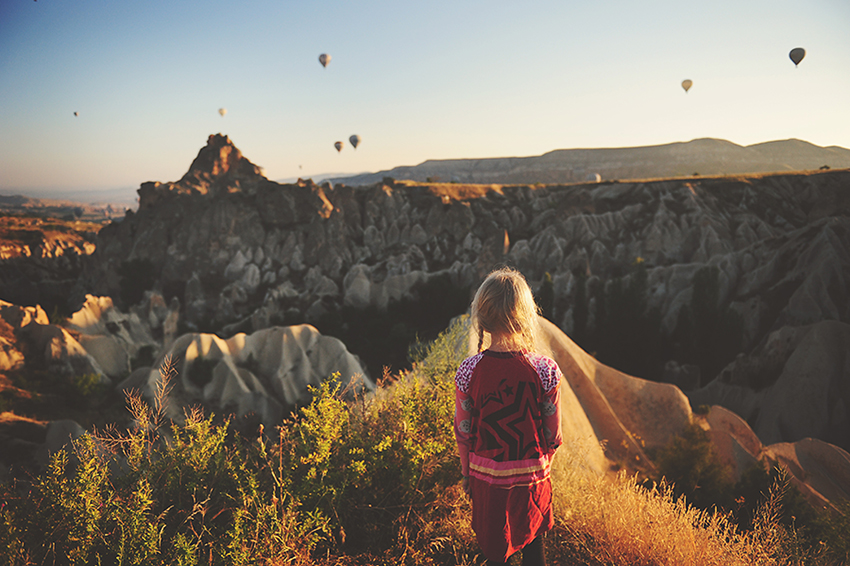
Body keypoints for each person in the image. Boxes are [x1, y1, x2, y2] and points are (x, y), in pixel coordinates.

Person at [454, 267, 563, 566]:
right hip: (532, 477)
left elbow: (463, 431)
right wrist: (543, 466)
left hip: (486, 478)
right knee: (533, 548)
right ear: (526, 316)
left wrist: (467, 473)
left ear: (483, 318)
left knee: (493, 552)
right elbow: (554, 435)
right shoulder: (545, 370)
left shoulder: (468, 371)